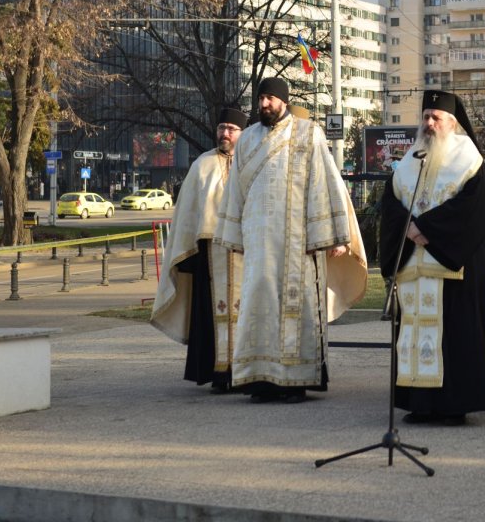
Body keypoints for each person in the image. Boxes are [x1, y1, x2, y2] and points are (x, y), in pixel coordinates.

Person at [214, 78, 367, 403]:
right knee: (258, 308)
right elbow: (235, 191)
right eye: (261, 98)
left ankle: (294, 383)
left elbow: (325, 184)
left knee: (296, 311)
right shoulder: (247, 139)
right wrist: (233, 235)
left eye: (270, 98)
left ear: (283, 100)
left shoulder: (308, 133)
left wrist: (330, 236)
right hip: (259, 243)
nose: (264, 104)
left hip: (298, 244)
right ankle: (261, 381)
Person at [379, 90, 485, 426]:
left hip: (452, 268)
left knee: (453, 337)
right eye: (425, 117)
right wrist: (408, 228)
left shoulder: (468, 159)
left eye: (436, 118)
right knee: (412, 335)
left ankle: (452, 406)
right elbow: (391, 202)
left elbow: (474, 210)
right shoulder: (411, 159)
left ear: (452, 123)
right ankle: (419, 404)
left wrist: (426, 229)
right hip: (414, 268)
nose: (429, 123)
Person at [151, 107, 248, 393]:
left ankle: (247, 373)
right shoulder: (202, 165)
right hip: (210, 256)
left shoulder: (253, 163)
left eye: (231, 129)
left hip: (247, 251)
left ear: (243, 134)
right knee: (210, 314)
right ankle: (217, 374)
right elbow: (188, 214)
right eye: (221, 128)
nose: (225, 133)